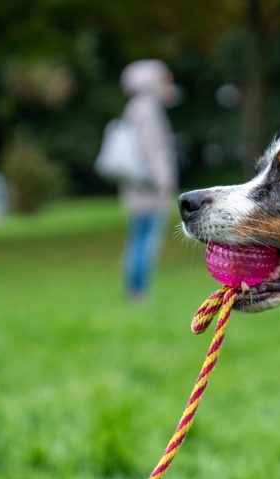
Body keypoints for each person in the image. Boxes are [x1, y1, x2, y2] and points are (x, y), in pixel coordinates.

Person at [119, 60, 178, 300]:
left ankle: (134, 289)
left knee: (137, 236)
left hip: (136, 184)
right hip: (150, 187)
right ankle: (138, 291)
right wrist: (166, 181)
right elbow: (154, 150)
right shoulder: (148, 108)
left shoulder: (133, 107)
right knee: (147, 239)